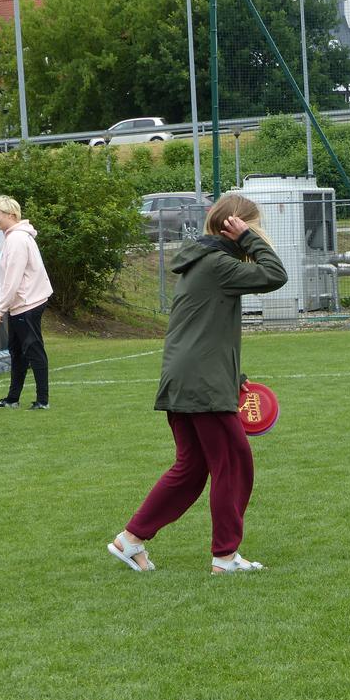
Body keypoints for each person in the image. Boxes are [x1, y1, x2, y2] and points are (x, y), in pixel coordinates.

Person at [107, 194, 287, 574]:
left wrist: (233, 376)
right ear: (236, 226)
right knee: (234, 465)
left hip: (188, 377)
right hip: (200, 383)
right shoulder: (218, 262)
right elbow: (275, 274)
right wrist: (248, 240)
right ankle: (225, 557)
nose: (259, 234)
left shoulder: (202, 261)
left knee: (191, 469)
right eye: (253, 227)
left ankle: (131, 539)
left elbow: (204, 328)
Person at [0, 195, 53, 410]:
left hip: (27, 303)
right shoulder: (16, 237)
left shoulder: (16, 239)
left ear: (11, 215)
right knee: (17, 351)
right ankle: (13, 398)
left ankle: (42, 400)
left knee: (33, 350)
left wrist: (0, 308)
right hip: (23, 303)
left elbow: (12, 279)